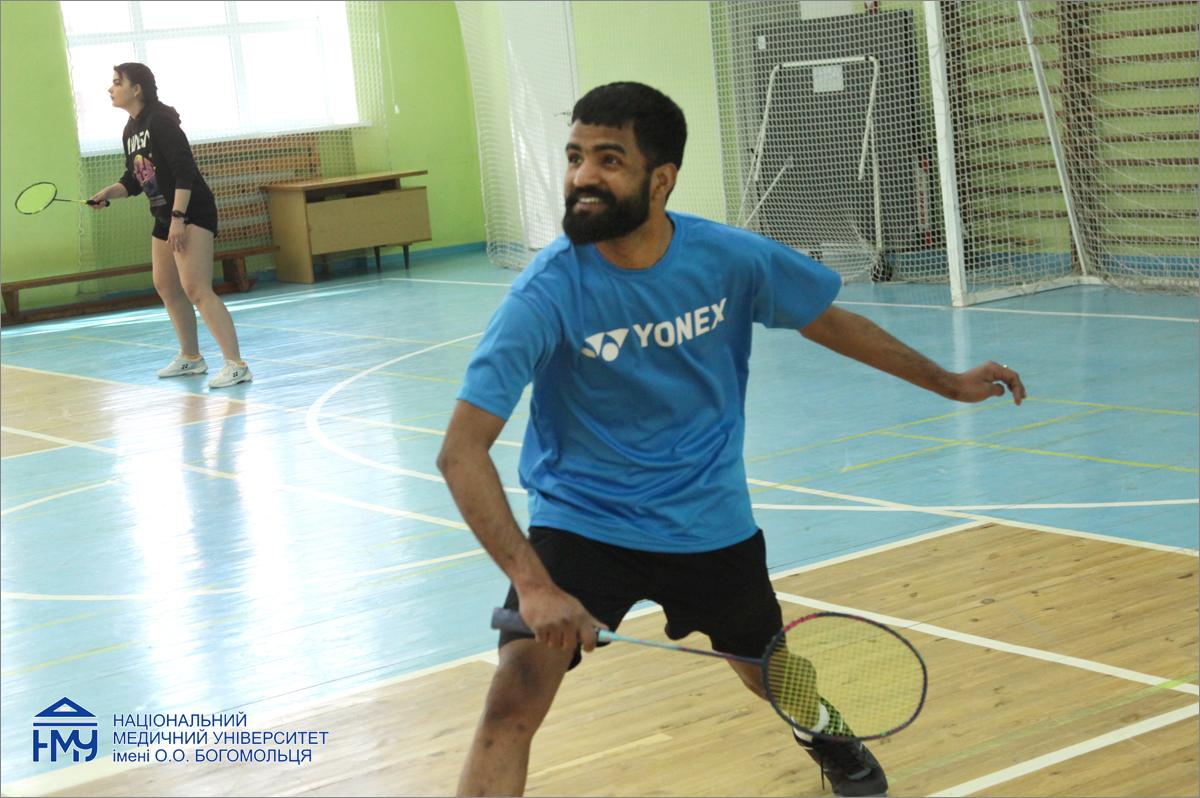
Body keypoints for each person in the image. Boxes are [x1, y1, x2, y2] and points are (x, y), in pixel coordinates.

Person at [437, 82, 1025, 798]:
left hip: (706, 519)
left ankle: (825, 734)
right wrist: (534, 586)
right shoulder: (546, 292)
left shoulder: (728, 259)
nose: (583, 176)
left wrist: (948, 382)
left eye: (608, 160)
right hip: (584, 522)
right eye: (574, 156)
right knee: (511, 703)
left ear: (661, 179)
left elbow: (828, 320)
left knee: (766, 671)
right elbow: (460, 451)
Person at [89, 63, 251, 389]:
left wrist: (179, 217)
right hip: (164, 214)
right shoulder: (130, 130)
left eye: (117, 82)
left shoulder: (160, 121)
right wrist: (110, 193)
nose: (110, 89)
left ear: (136, 89)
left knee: (196, 289)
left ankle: (236, 365)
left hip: (190, 211)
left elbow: (183, 170)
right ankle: (191, 357)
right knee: (166, 285)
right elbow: (135, 179)